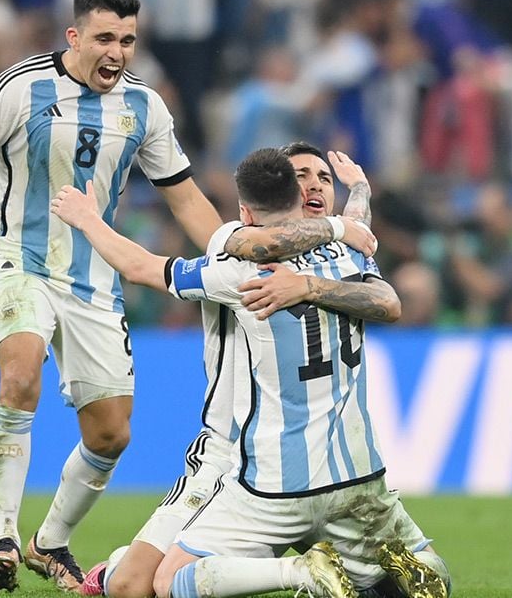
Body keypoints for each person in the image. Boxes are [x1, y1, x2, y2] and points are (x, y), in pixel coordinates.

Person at [0, 0, 375, 592]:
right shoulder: (17, 88)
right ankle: (3, 537)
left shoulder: (145, 107)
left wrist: (234, 258)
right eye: (105, 39)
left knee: (111, 433)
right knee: (20, 374)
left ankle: (49, 542)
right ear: (74, 36)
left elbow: (184, 197)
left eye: (128, 41)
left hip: (94, 280)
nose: (117, 53)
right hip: (19, 261)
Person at [51, 148, 450, 598]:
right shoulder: (342, 254)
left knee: (170, 582)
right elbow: (357, 264)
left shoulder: (239, 268)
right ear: (293, 196)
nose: (316, 184)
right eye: (304, 176)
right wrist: (356, 197)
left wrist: (87, 220)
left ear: (247, 209)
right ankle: (119, 569)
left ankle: (302, 573)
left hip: (267, 474)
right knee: (422, 576)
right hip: (344, 471)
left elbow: (142, 267)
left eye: (324, 177)